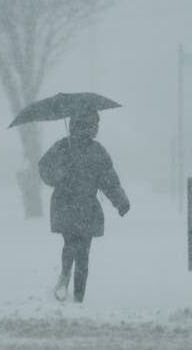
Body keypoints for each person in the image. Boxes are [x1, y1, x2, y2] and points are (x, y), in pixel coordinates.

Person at [38, 110, 130, 303]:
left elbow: (44, 167)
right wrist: (120, 201)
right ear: (89, 127)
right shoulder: (96, 151)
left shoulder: (63, 146)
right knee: (83, 254)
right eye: (94, 124)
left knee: (70, 244)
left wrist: (58, 175)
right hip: (85, 207)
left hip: (65, 206)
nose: (96, 128)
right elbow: (109, 181)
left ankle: (65, 277)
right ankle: (78, 296)